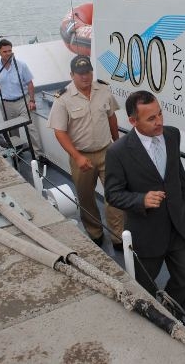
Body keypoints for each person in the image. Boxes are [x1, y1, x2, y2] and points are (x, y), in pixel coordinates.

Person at [104, 90, 185, 314]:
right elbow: (112, 194)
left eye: (160, 114)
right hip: (147, 232)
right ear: (133, 121)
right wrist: (141, 199)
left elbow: (179, 177)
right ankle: (152, 319)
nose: (159, 122)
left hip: (178, 226)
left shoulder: (172, 135)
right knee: (144, 286)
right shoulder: (118, 152)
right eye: (151, 118)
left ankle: (170, 312)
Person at [48, 55, 124, 250]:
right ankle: (95, 231)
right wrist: (77, 156)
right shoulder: (63, 99)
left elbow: (111, 117)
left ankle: (118, 236)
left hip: (107, 151)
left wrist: (117, 144)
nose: (85, 77)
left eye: (88, 72)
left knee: (115, 194)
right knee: (86, 196)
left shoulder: (103, 90)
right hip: (81, 156)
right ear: (72, 75)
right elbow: (60, 132)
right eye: (80, 73)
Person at [0, 39, 44, 159]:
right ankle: (17, 152)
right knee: (12, 130)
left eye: (10, 50)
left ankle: (38, 155)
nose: (8, 53)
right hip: (6, 104)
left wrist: (32, 100)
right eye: (5, 51)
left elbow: (29, 83)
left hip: (23, 101)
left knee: (31, 128)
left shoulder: (21, 65)